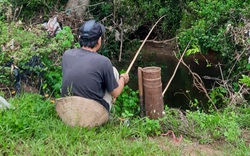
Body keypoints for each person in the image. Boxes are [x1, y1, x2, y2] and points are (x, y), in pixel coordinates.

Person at [61, 19, 129, 112]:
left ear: (80, 37)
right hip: (92, 113)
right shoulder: (104, 62)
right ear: (99, 41)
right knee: (114, 72)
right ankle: (109, 115)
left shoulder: (67, 54)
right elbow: (116, 93)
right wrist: (123, 79)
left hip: (68, 108)